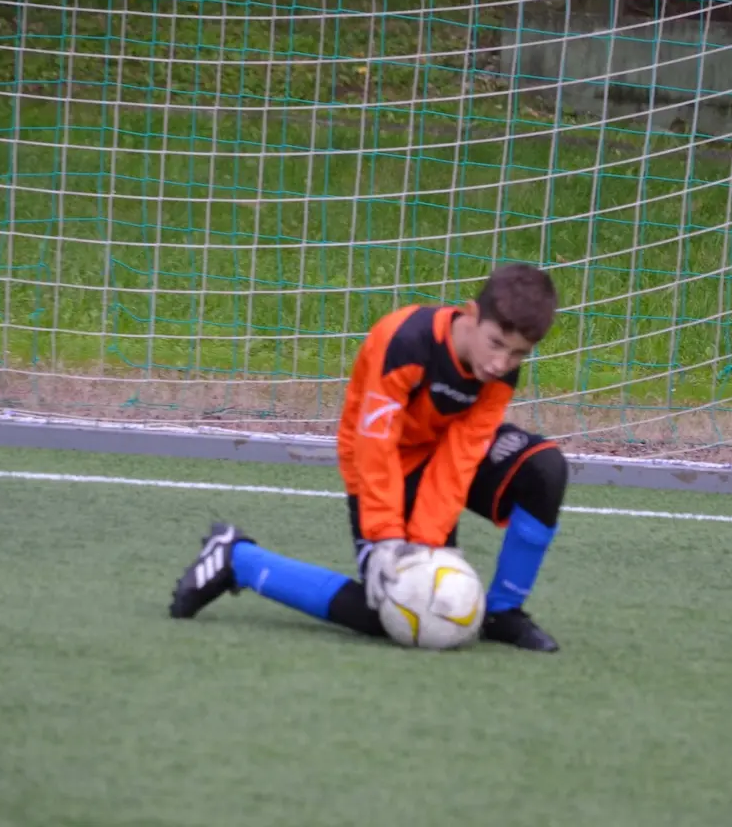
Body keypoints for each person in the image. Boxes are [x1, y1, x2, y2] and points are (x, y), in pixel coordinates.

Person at [167, 263, 568, 652]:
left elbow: (462, 454)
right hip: (381, 460)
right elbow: (376, 445)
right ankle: (238, 559)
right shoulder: (406, 342)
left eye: (518, 354)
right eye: (496, 343)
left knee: (544, 469)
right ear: (471, 313)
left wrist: (429, 543)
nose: (501, 363)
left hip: (439, 455)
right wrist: (387, 539)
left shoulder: (498, 373)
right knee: (392, 611)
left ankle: (502, 613)